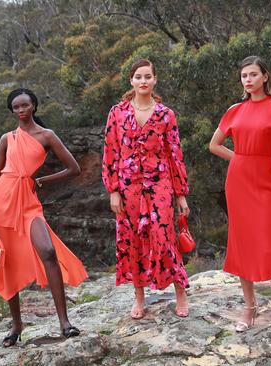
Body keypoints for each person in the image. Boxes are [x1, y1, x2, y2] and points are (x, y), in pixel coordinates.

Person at [208, 56, 271, 354]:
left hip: (263, 182)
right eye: (243, 76)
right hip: (237, 182)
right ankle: (249, 307)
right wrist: (240, 160)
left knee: (269, 248)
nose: (248, 80)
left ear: (265, 76)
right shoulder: (234, 110)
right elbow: (214, 145)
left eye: (253, 74)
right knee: (241, 244)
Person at [0, 88, 88, 347]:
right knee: (7, 265)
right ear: (12, 111)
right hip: (2, 203)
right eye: (16, 107)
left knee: (48, 251)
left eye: (25, 105)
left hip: (28, 204)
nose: (20, 110)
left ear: (34, 106)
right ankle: (17, 326)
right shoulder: (7, 139)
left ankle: (64, 322)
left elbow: (74, 168)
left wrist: (40, 180)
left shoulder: (47, 136)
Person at [102, 59, 191, 319]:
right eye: (138, 77)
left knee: (163, 237)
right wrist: (113, 190)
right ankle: (139, 298)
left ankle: (181, 293)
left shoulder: (166, 114)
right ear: (131, 80)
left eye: (148, 77)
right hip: (128, 187)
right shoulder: (117, 112)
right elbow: (110, 152)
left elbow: (175, 154)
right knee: (132, 241)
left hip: (159, 183)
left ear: (155, 80)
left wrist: (181, 195)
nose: (143, 81)